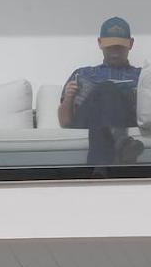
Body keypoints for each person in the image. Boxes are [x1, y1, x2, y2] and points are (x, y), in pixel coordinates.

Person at [58, 16, 143, 172]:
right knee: (105, 89)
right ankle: (121, 142)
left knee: (107, 95)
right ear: (100, 43)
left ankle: (100, 171)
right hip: (85, 121)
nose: (115, 53)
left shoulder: (141, 76)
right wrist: (69, 99)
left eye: (119, 47)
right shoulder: (83, 74)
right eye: (110, 47)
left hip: (125, 119)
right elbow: (65, 122)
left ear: (130, 44)